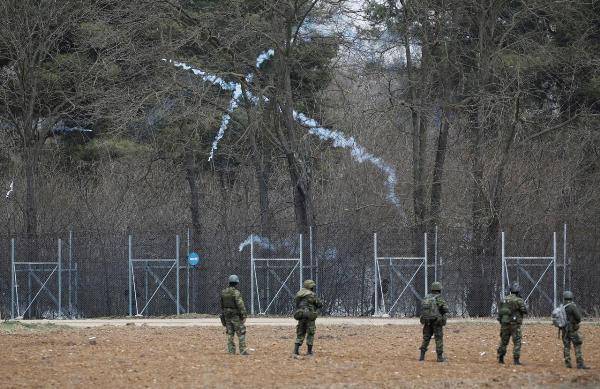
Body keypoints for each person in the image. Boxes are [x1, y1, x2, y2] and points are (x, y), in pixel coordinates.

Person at [497, 283, 527, 365]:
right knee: (517, 341)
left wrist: (501, 321)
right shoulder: (519, 300)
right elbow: (525, 310)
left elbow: (500, 312)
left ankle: (500, 358)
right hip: (515, 324)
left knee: (503, 341)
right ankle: (516, 360)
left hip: (505, 323)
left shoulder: (504, 299)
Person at [419, 281, 449, 362]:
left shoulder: (426, 297)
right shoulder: (439, 298)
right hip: (436, 322)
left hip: (427, 321)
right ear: (439, 289)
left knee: (426, 338)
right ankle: (440, 357)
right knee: (438, 339)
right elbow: (445, 309)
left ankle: (422, 356)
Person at [220, 274, 249, 355]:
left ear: (229, 282)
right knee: (241, 332)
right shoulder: (236, 293)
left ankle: (231, 351)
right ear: (236, 283)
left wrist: (225, 313)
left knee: (230, 333)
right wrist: (244, 315)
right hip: (235, 316)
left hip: (227, 316)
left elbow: (222, 305)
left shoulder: (223, 292)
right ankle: (242, 350)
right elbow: (240, 305)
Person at [293, 279, 323, 356]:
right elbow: (319, 304)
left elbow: (296, 304)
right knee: (310, 332)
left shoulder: (299, 294)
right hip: (309, 315)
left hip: (301, 315)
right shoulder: (311, 294)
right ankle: (309, 352)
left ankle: (295, 351)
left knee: (300, 332)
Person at [561, 291, 589, 369]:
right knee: (577, 345)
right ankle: (580, 364)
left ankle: (568, 364)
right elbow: (578, 318)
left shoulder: (562, 306)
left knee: (566, 346)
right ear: (571, 297)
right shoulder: (572, 306)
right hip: (573, 329)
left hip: (564, 330)